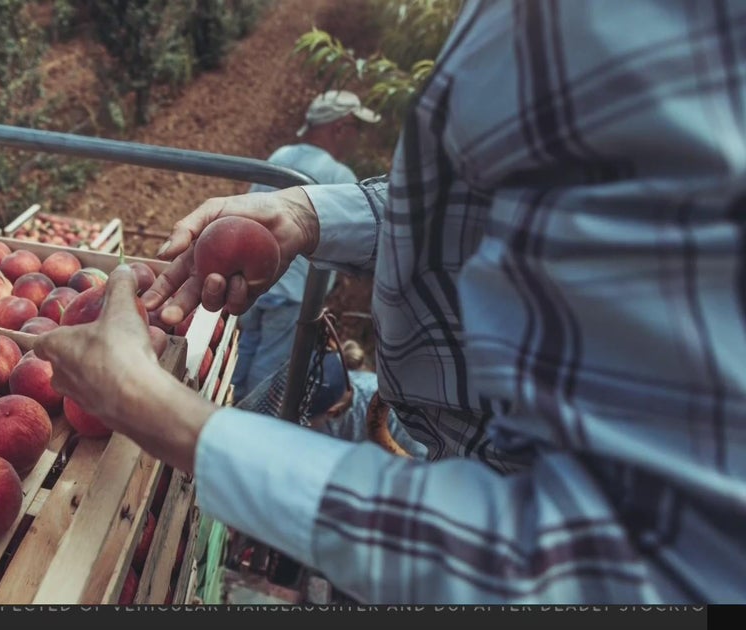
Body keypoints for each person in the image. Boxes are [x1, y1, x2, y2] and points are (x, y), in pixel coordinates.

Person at [36, 0, 746, 603]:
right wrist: (309, 216)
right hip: (445, 443)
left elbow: (631, 569)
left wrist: (161, 414)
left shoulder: (631, 28)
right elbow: (469, 205)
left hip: (480, 480)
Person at [233, 90, 374, 398]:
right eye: (357, 129)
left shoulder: (281, 156)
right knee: (267, 378)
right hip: (294, 293)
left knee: (242, 361)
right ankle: (243, 433)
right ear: (341, 127)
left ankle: (222, 416)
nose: (358, 138)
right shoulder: (340, 176)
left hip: (254, 284)